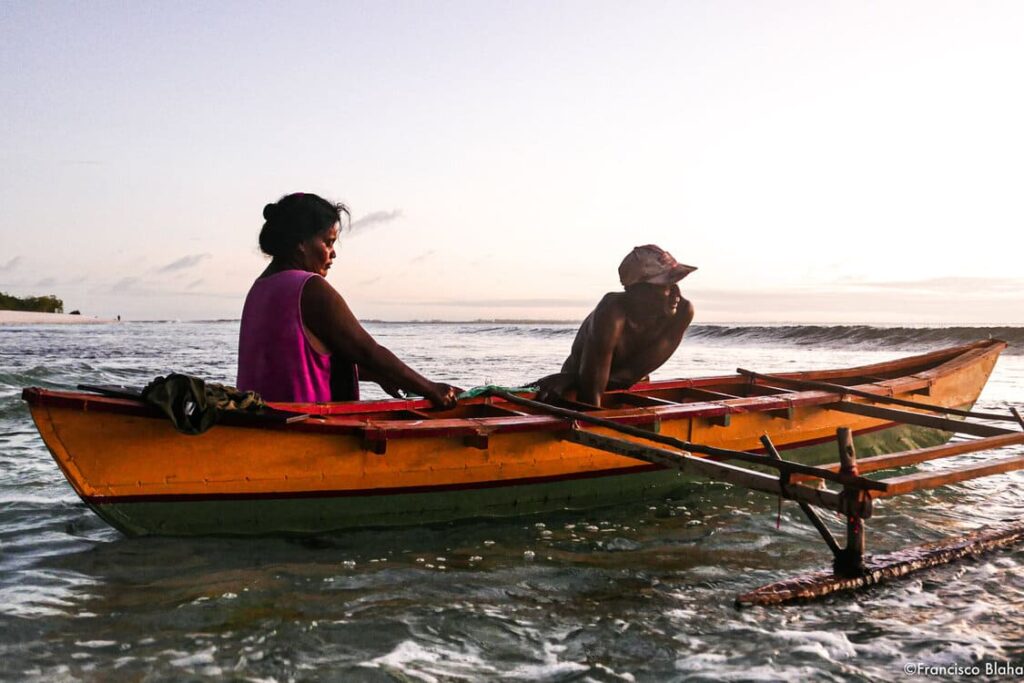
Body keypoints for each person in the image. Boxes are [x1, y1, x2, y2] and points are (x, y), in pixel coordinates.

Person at [237, 192, 460, 408]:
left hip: (260, 421)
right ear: (301, 242)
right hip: (304, 428)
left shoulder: (259, 288)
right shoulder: (310, 287)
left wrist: (377, 376)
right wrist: (431, 388)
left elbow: (295, 366)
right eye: (328, 242)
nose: (333, 254)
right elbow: (367, 351)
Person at [533, 245, 696, 407]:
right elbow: (591, 390)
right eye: (665, 285)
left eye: (675, 283)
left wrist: (570, 379)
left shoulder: (683, 312)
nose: (676, 293)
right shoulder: (612, 311)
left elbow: (631, 374)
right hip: (576, 390)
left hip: (614, 384)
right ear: (637, 290)